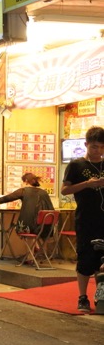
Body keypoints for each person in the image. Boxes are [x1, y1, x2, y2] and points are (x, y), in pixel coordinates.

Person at [61, 126, 104, 313]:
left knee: (101, 260)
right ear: (86, 144)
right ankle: (82, 296)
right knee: (86, 257)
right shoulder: (76, 165)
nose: (98, 151)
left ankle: (100, 295)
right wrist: (87, 184)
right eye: (94, 147)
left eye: (102, 147)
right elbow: (64, 190)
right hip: (86, 219)